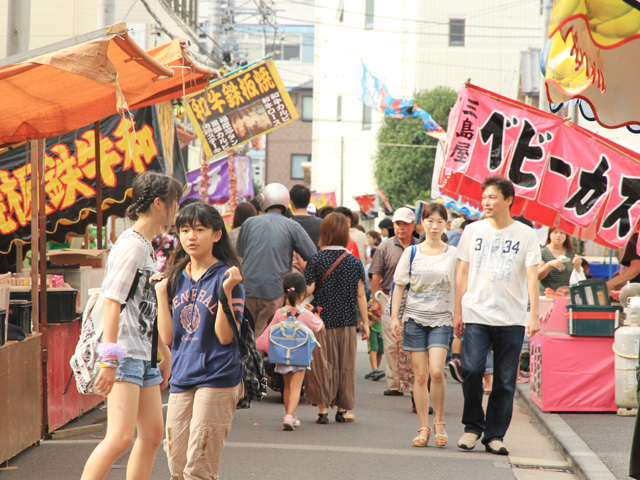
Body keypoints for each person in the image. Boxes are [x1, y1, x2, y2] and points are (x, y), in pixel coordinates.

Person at [81, 171, 181, 480]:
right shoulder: (133, 246)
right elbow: (112, 301)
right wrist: (109, 359)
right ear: (159, 204)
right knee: (121, 436)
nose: (178, 207)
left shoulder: (144, 244)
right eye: (175, 201)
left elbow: (142, 311)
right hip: (123, 354)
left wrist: (163, 353)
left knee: (151, 435)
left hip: (142, 354)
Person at [155, 202, 245, 480]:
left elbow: (225, 336)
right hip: (182, 375)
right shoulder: (174, 279)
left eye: (199, 229)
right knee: (176, 464)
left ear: (217, 234)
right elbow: (168, 338)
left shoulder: (229, 278)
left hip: (218, 375)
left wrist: (225, 292)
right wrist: (161, 293)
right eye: (184, 230)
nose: (190, 237)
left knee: (199, 467)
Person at [454, 175, 541, 455]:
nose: (486, 202)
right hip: (476, 312)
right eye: (484, 197)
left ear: (508, 200)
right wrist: (457, 309)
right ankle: (472, 427)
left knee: (504, 380)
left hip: (511, 317)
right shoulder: (472, 231)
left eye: (492, 197)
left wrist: (534, 314)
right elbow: (462, 273)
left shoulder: (526, 234)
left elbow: (531, 277)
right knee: (471, 370)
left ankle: (494, 435)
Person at [390, 203, 457, 448]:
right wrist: (395, 317)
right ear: (423, 223)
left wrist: (459, 316)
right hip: (414, 319)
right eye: (430, 221)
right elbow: (399, 285)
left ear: (445, 224)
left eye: (440, 221)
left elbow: (460, 287)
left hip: (441, 319)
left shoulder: (453, 253)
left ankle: (439, 421)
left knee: (437, 372)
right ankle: (423, 427)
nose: (434, 226)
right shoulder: (412, 253)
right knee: (420, 376)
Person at [305, 212, 370, 423]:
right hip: (347, 321)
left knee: (323, 366)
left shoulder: (315, 259)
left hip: (321, 322)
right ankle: (342, 411)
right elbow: (361, 294)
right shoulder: (354, 262)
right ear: (345, 234)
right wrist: (366, 323)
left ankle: (322, 411)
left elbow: (309, 289)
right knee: (345, 367)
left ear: (324, 233)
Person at [236, 183, 317, 337]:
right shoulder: (292, 226)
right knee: (264, 334)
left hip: (247, 288)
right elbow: (312, 255)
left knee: (244, 333)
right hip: (274, 289)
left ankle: (244, 360)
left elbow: (239, 253)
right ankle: (258, 359)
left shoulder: (248, 223)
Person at [256, 273, 324, 430]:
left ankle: (291, 415)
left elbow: (268, 332)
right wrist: (316, 314)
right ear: (302, 293)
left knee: (287, 387)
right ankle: (288, 416)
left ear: (284, 292)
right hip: (300, 356)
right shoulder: (306, 314)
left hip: (282, 355)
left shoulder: (280, 313)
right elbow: (320, 328)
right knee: (296, 387)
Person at [370, 207, 419, 396]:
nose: (401, 228)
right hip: (388, 297)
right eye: (398, 224)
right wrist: (375, 300)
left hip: (415, 299)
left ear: (413, 225)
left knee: (413, 342)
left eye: (405, 224)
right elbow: (376, 274)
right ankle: (394, 384)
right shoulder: (385, 246)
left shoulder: (420, 246)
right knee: (391, 343)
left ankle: (415, 383)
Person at [537, 227, 582, 294]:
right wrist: (548, 265)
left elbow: (576, 276)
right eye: (555, 232)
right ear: (550, 234)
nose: (558, 235)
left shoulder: (571, 253)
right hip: (546, 296)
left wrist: (578, 265)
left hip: (565, 295)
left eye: (562, 233)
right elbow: (537, 275)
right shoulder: (542, 252)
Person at [290, 184, 323, 249]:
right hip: (316, 258)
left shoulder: (286, 224)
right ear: (309, 202)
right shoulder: (322, 223)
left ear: (291, 203)